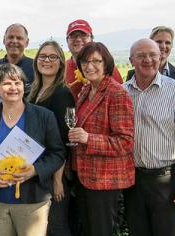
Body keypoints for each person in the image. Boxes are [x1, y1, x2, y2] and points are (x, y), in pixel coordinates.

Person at [0, 63, 65, 236]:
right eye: (6, 83)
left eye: (17, 83)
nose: (13, 87)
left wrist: (35, 170)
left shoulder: (43, 116)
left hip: (33, 202)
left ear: (23, 87)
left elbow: (57, 153)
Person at [122, 39, 175, 236]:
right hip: (132, 180)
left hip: (167, 181)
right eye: (141, 56)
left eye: (152, 55)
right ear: (131, 60)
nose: (147, 59)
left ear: (160, 58)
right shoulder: (122, 93)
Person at [67, 42, 136, 236]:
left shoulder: (117, 93)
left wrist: (88, 138)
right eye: (85, 61)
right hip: (84, 176)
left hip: (104, 180)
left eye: (96, 61)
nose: (89, 66)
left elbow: (125, 142)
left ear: (106, 64)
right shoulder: (86, 91)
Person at [26, 41, 75, 236]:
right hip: (37, 169)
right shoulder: (33, 91)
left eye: (52, 56)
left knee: (56, 227)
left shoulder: (62, 94)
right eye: (42, 56)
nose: (46, 60)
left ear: (61, 63)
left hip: (54, 172)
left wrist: (57, 180)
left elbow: (64, 142)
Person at [64, 19, 123, 99]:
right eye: (73, 36)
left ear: (91, 39)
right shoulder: (62, 68)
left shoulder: (106, 67)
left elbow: (120, 95)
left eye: (83, 35)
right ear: (67, 41)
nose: (78, 39)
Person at [0, 23, 34, 93]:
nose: (14, 41)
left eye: (19, 38)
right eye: (10, 37)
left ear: (27, 42)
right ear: (4, 40)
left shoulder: (35, 67)